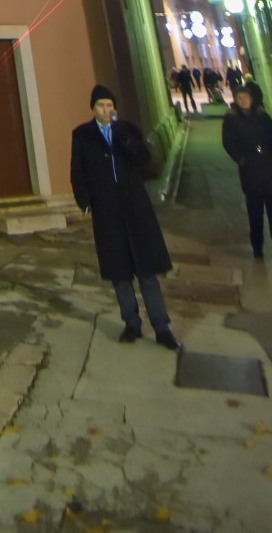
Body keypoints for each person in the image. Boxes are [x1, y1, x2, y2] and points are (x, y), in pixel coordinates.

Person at [70, 85, 180, 350]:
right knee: (120, 272)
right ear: (93, 108)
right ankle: (131, 323)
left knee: (147, 272)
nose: (106, 111)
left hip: (135, 208)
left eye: (110, 106)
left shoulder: (127, 130)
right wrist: (84, 200)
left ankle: (161, 327)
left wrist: (126, 140)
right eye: (101, 106)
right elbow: (78, 169)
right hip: (107, 211)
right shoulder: (83, 135)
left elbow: (144, 159)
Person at [221, 83, 272, 260]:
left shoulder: (262, 116)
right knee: (255, 213)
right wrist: (241, 159)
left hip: (269, 169)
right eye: (239, 98)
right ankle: (257, 247)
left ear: (251, 99)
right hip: (250, 170)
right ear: (236, 101)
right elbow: (228, 142)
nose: (243, 101)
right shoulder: (231, 118)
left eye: (246, 97)